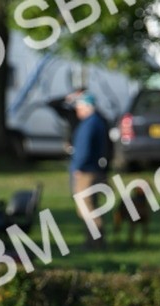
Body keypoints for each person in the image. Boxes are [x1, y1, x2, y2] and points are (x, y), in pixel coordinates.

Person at [70, 92, 109, 248]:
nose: (77, 111)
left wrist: (78, 166)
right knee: (91, 207)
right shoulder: (97, 122)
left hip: (86, 171)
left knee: (88, 209)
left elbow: (84, 149)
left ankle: (96, 242)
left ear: (86, 107)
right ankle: (92, 241)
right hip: (95, 169)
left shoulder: (89, 124)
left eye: (79, 107)